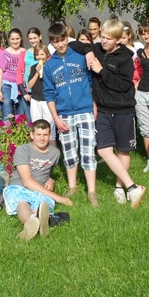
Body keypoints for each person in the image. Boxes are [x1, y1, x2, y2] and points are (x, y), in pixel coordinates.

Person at [88, 20, 146, 208]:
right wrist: (88, 53)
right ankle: (133, 187)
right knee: (103, 150)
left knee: (123, 150)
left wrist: (101, 70)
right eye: (102, 37)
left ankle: (119, 187)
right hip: (103, 110)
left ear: (118, 40)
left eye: (108, 38)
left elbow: (122, 85)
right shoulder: (97, 50)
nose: (103, 41)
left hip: (123, 110)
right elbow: (79, 45)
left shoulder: (125, 58)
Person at [43, 23, 98, 206]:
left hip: (84, 110)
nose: (60, 44)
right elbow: (49, 94)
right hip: (64, 115)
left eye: (63, 39)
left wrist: (94, 105)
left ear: (67, 38)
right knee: (69, 152)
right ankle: (73, 186)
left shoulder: (80, 57)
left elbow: (91, 82)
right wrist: (56, 118)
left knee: (88, 151)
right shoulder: (49, 65)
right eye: (56, 41)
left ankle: (91, 191)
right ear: (51, 42)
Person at [3, 119, 72, 240]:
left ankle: (37, 222)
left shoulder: (55, 153)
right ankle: (31, 222)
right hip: (20, 187)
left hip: (40, 190)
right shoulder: (23, 150)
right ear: (32, 135)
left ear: (50, 136)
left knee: (42, 205)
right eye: (38, 134)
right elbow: (27, 182)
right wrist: (59, 198)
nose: (42, 138)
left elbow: (47, 171)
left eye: (45, 135)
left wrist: (50, 179)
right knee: (22, 203)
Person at [135, 21, 149, 173]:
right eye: (142, 33)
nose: (146, 36)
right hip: (141, 92)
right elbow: (138, 71)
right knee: (145, 129)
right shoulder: (140, 52)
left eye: (148, 32)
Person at [0, 28, 27, 121]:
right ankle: (7, 129)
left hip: (21, 85)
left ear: (21, 38)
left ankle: (20, 129)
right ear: (9, 39)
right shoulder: (4, 53)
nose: (15, 41)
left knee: (21, 114)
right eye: (12, 39)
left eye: (17, 39)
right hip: (7, 85)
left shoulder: (25, 52)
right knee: (7, 112)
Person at [27, 43, 56, 141]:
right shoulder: (33, 67)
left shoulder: (51, 66)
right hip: (36, 99)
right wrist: (36, 73)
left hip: (47, 100)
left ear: (47, 55)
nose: (39, 57)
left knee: (50, 126)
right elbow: (30, 85)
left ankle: (52, 146)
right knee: (37, 126)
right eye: (37, 54)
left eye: (42, 54)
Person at [16, 27, 42, 122]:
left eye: (35, 38)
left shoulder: (45, 52)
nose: (33, 41)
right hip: (28, 90)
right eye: (30, 39)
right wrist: (24, 93)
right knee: (30, 120)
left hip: (41, 90)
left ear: (40, 37)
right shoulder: (24, 53)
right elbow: (19, 74)